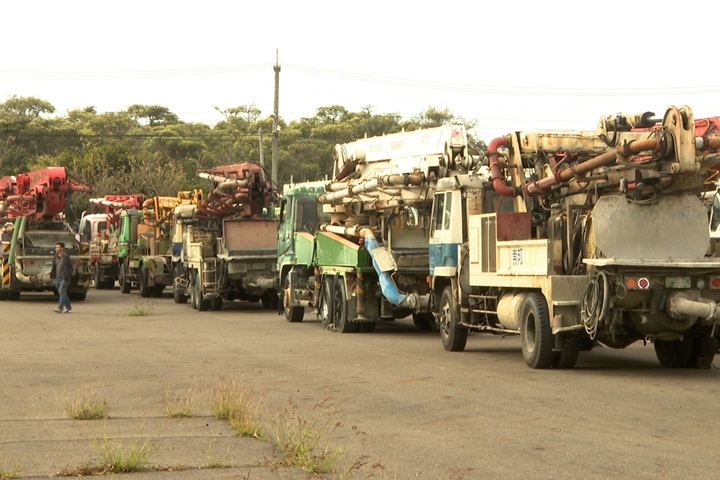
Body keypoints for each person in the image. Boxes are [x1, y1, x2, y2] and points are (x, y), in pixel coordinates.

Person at [51, 242, 73, 313]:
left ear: (62, 248)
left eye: (58, 247)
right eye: (56, 247)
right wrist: (53, 276)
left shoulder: (66, 257)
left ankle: (60, 308)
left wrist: (67, 275)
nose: (56, 249)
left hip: (64, 278)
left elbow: (70, 268)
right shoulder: (55, 257)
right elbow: (54, 267)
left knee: (62, 292)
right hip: (57, 278)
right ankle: (68, 308)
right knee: (62, 293)